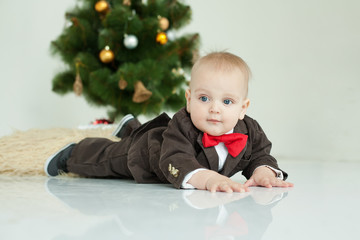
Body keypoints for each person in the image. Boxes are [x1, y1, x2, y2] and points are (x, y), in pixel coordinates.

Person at [44, 51, 293, 193]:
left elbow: (260, 154)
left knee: (129, 140)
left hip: (163, 145)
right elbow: (176, 158)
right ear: (189, 98)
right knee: (111, 158)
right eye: (204, 98)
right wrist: (207, 179)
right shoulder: (183, 125)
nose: (215, 108)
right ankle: (74, 154)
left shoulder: (249, 129)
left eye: (227, 102)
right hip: (148, 156)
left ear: (243, 108)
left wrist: (264, 172)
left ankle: (130, 128)